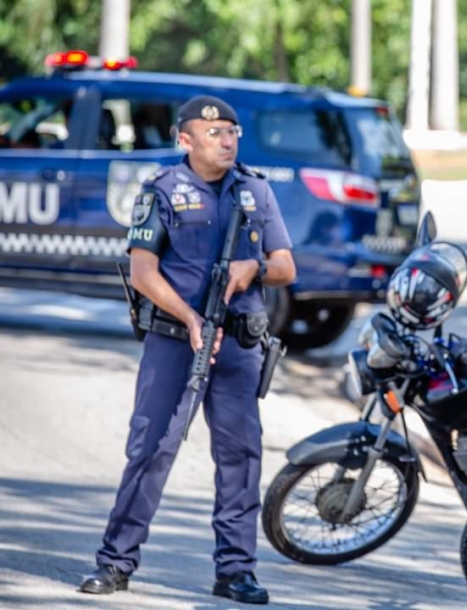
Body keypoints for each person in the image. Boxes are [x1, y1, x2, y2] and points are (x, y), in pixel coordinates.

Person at [78, 95, 295, 605]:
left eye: (233, 133)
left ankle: (236, 571)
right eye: (215, 133)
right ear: (185, 140)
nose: (227, 141)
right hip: (176, 343)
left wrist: (253, 270)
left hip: (239, 345)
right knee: (152, 448)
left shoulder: (255, 191)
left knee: (240, 457)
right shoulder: (163, 190)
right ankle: (115, 562)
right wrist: (191, 317)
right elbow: (142, 271)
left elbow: (285, 265)